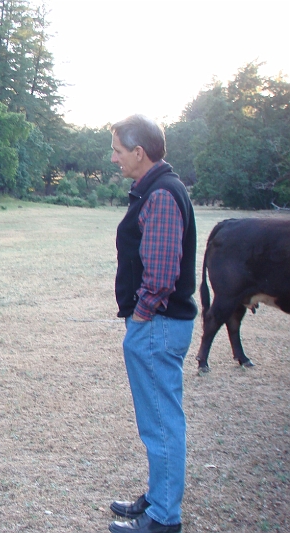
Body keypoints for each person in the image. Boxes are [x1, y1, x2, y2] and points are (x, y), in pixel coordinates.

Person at [108, 115, 196, 533]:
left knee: (160, 422)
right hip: (156, 325)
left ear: (139, 153)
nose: (114, 158)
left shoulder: (160, 195)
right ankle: (158, 498)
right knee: (157, 421)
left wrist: (141, 317)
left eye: (118, 151)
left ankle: (163, 517)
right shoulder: (157, 189)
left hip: (156, 326)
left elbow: (161, 276)